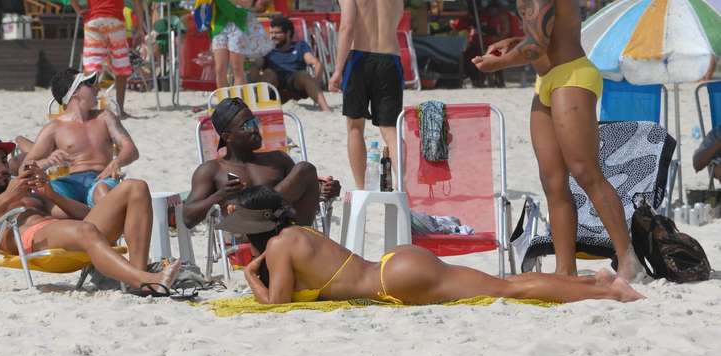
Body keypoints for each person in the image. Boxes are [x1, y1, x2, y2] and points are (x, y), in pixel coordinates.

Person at [223, 186, 644, 305]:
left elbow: (275, 302)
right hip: (395, 262)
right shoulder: (299, 232)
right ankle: (594, 281)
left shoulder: (278, 247)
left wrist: (249, 277)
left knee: (508, 290)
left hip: (395, 281)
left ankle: (606, 290)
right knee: (505, 282)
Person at [472, 0, 641, 281]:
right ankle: (565, 269)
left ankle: (627, 258)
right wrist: (513, 43)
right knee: (552, 181)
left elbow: (536, 46)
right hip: (547, 80)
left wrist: (500, 63)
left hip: (572, 75)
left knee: (585, 171)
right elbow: (544, 33)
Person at [0, 134, 181, 294]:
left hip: (67, 232)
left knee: (136, 187)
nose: (2, 168)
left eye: (3, 161)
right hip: (31, 239)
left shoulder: (23, 191)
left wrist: (51, 194)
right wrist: (8, 197)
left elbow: (86, 214)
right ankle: (145, 280)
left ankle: (139, 273)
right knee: (86, 230)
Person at [184, 97, 340, 228]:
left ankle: (265, 209)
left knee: (305, 170)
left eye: (254, 122)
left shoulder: (278, 159)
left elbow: (303, 200)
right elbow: (187, 218)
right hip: (248, 236)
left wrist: (324, 191)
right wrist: (219, 195)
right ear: (227, 136)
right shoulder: (212, 170)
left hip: (287, 234)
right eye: (246, 126)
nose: (255, 129)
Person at [22, 68, 139, 208]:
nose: (97, 88)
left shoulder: (104, 117)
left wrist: (116, 163)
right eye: (89, 83)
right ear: (75, 92)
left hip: (101, 179)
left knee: (102, 192)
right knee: (44, 198)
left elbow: (131, 149)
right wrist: (48, 161)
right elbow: (24, 167)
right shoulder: (54, 128)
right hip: (69, 182)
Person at [328, 0, 403, 189]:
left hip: (359, 58)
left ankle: (361, 189)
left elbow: (347, 27)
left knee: (355, 127)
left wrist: (337, 70)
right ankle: (404, 185)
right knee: (391, 130)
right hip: (390, 58)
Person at [70, 0, 144, 118]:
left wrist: (78, 10)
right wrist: (140, 28)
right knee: (121, 67)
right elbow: (138, 3)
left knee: (92, 67)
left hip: (93, 20)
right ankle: (120, 110)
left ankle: (89, 109)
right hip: (115, 20)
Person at [248, 15, 331, 111]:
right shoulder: (267, 48)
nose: (273, 36)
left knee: (303, 74)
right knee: (268, 73)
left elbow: (316, 63)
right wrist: (254, 65)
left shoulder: (300, 46)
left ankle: (326, 109)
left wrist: (316, 82)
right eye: (271, 33)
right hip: (274, 85)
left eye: (277, 33)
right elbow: (257, 65)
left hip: (295, 83)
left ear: (288, 33)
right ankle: (258, 108)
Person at [210, 0, 271, 88]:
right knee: (220, 70)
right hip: (219, 28)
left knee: (237, 70)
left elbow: (254, 6)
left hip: (238, 26)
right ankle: (224, 100)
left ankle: (237, 100)